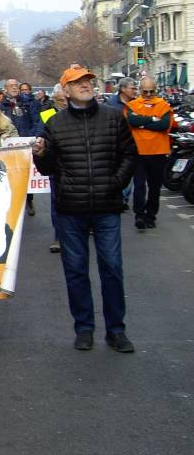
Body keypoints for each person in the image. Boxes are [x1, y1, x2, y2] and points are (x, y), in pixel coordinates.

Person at [33, 65, 138, 353]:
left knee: (112, 270)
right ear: (65, 91)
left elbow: (130, 154)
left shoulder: (114, 118)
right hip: (71, 209)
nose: (85, 85)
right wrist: (40, 154)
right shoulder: (55, 124)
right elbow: (47, 168)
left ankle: (116, 330)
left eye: (88, 81)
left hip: (106, 207)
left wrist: (115, 183)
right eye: (77, 82)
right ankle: (84, 328)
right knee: (76, 271)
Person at [125, 77, 173, 230]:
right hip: (139, 152)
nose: (148, 94)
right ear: (140, 91)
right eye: (145, 91)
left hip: (158, 151)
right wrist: (152, 119)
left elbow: (164, 124)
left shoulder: (164, 105)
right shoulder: (132, 105)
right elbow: (132, 121)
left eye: (151, 91)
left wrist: (142, 124)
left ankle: (151, 215)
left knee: (155, 187)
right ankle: (139, 215)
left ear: (155, 90)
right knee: (139, 186)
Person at [0, 78, 42, 215]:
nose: (14, 88)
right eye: (11, 86)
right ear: (6, 89)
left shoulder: (30, 103)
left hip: (27, 143)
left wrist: (34, 137)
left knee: (27, 173)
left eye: (16, 85)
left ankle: (29, 200)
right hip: (9, 145)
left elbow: (38, 121)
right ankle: (13, 201)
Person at [41, 86, 68, 253]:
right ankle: (59, 237)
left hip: (75, 167)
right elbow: (39, 133)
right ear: (54, 101)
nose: (64, 103)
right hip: (56, 167)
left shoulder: (78, 114)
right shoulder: (47, 115)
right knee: (56, 202)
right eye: (60, 101)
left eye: (66, 100)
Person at [106, 77, 138, 209]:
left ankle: (123, 198)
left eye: (136, 88)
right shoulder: (112, 102)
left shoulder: (138, 102)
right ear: (123, 89)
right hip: (116, 142)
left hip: (134, 142)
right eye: (132, 88)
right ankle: (119, 196)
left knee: (129, 171)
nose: (135, 91)